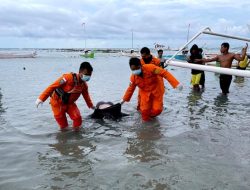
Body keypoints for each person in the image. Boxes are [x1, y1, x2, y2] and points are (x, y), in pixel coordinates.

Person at [35, 62, 95, 130]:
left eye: (90, 75)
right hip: (57, 103)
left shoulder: (84, 85)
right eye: (86, 74)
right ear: (80, 72)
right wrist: (41, 98)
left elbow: (86, 96)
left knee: (78, 119)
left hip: (70, 104)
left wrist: (91, 106)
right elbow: (52, 86)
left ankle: (77, 136)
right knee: (64, 126)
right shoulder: (68, 78)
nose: (88, 76)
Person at [121, 57, 182, 121]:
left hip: (156, 91)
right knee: (144, 112)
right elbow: (130, 89)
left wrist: (176, 84)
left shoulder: (151, 68)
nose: (134, 71)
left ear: (140, 66)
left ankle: (152, 121)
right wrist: (122, 101)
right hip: (145, 94)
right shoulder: (133, 77)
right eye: (132, 70)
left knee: (157, 110)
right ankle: (147, 127)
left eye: (135, 69)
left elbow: (164, 73)